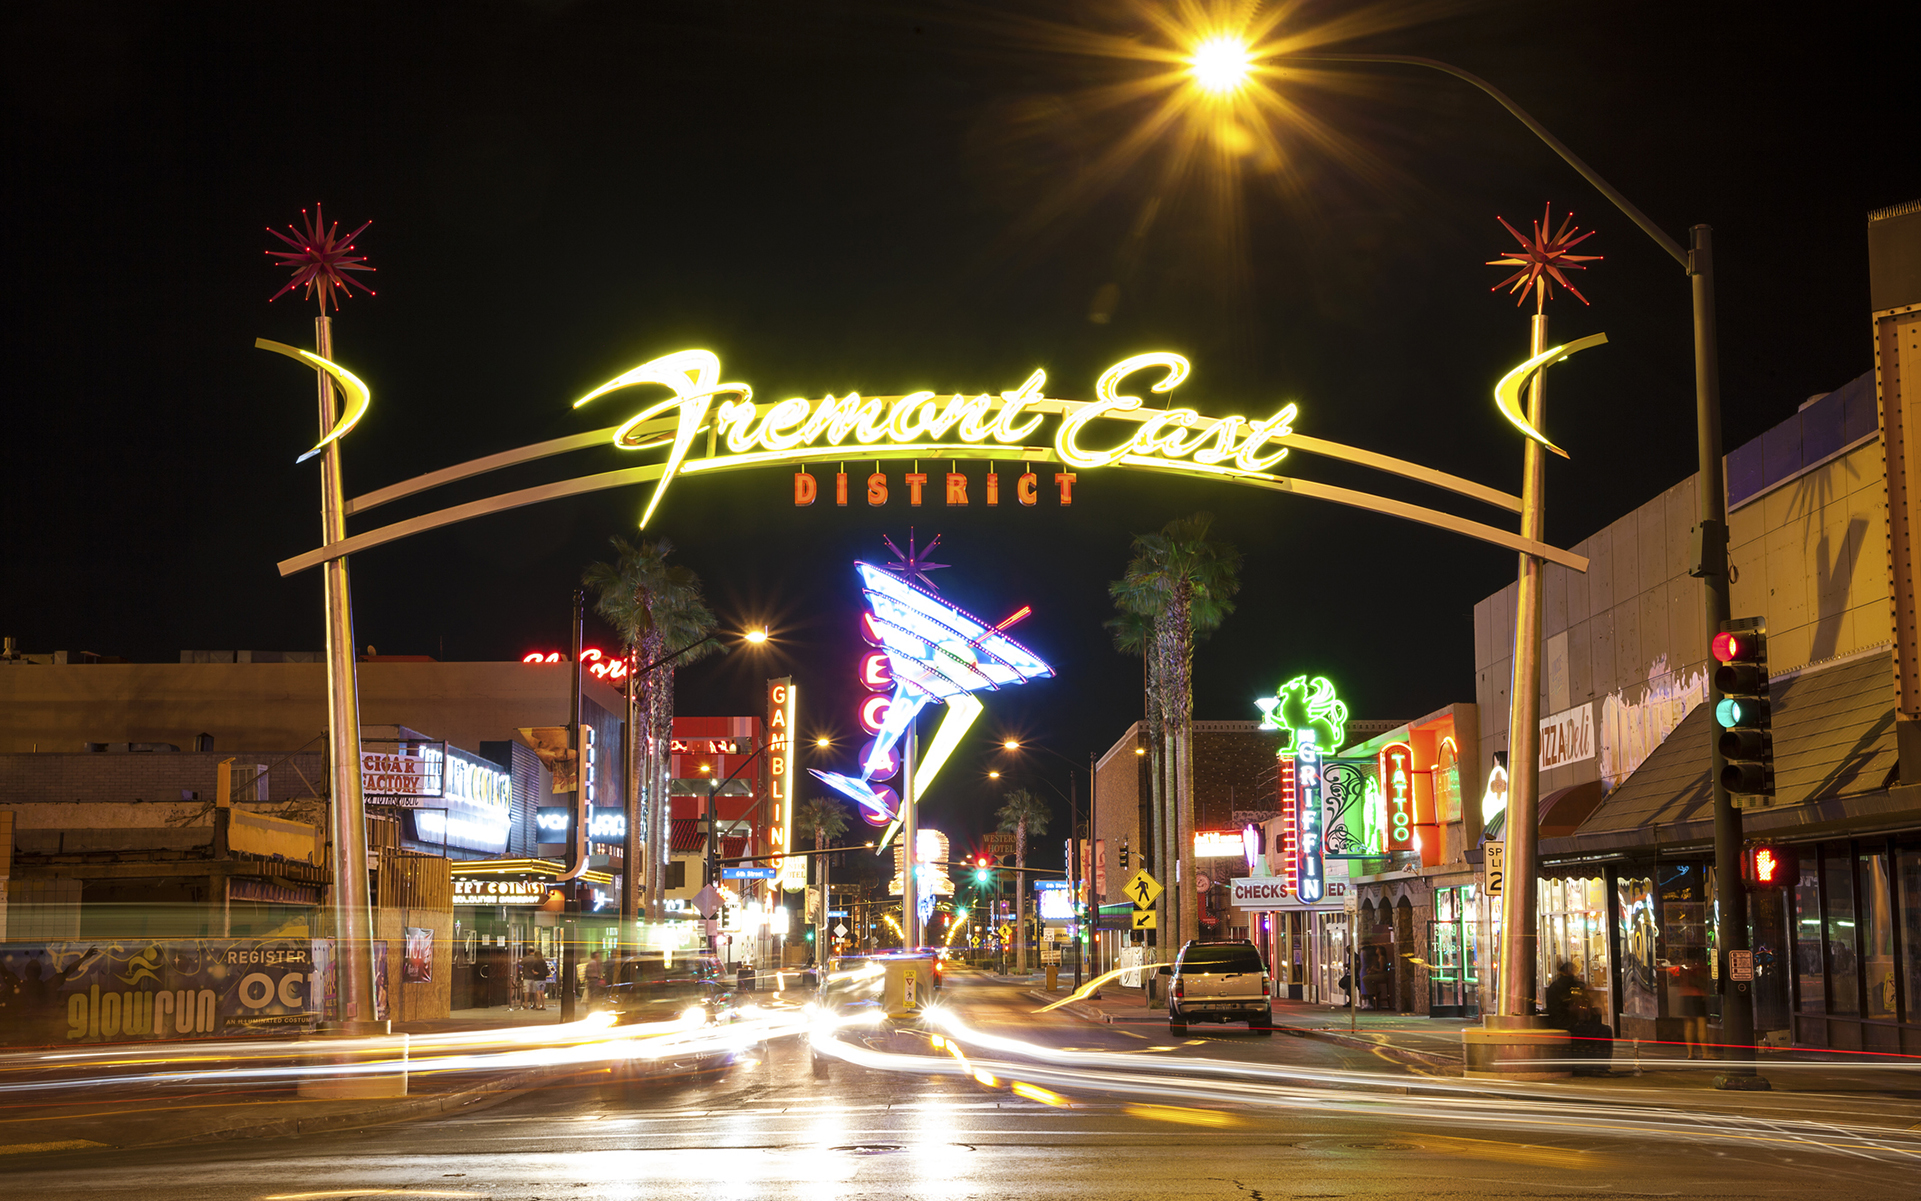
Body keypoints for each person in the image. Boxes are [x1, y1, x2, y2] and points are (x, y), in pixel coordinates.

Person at [1544, 961, 1584, 1030]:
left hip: (1556, 1020)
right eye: (1573, 970)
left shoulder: (1556, 984)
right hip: (1565, 1022)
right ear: (1568, 971)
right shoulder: (1567, 984)